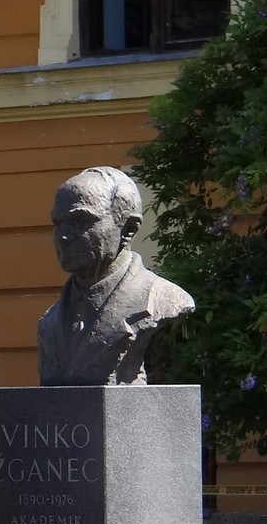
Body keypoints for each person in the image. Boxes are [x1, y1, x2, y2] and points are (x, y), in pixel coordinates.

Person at [37, 165, 195, 386]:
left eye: (81, 221)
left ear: (128, 229)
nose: (62, 236)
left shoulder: (163, 300)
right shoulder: (49, 322)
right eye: (58, 223)